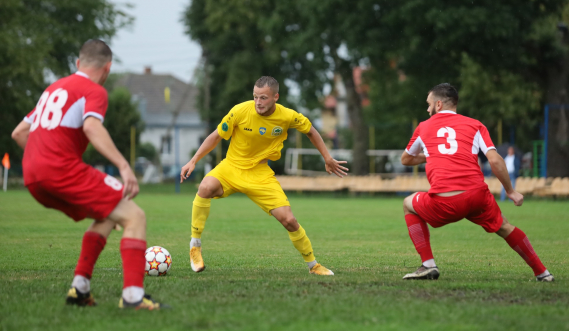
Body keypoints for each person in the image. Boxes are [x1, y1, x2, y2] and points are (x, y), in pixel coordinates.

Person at [11, 40, 167, 309]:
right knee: (135, 216)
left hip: (32, 176)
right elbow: (92, 128)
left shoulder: (52, 89)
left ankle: (80, 289)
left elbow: (19, 133)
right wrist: (124, 166)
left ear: (77, 63)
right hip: (60, 171)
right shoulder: (93, 91)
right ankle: (133, 297)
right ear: (107, 68)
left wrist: (42, 161)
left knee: (108, 215)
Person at [180, 76, 348, 275]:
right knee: (205, 187)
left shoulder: (287, 116)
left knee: (289, 220)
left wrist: (327, 158)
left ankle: (313, 265)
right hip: (231, 168)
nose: (258, 102)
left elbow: (311, 131)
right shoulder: (239, 111)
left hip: (260, 175)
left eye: (263, 98)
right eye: (255, 97)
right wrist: (193, 160)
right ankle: (195, 245)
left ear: (276, 97)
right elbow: (216, 135)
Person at [400, 83, 553, 282]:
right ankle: (543, 273)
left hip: (446, 200)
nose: (427, 109)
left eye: (429, 104)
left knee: (408, 204)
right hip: (477, 195)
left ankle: (428, 265)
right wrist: (511, 191)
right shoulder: (475, 125)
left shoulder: (424, 127)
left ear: (438, 104)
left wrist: (432, 154)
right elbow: (495, 159)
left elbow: (406, 159)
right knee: (504, 226)